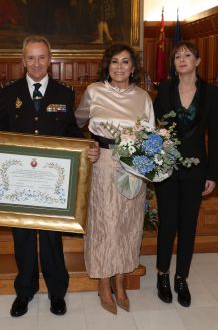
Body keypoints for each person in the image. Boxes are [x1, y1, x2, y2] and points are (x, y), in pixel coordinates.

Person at [0, 35, 99, 317]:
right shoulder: (9, 92)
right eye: (31, 58)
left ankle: (56, 292)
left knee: (51, 238)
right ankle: (24, 291)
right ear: (23, 60)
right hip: (20, 181)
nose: (36, 63)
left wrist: (87, 145)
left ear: (50, 60)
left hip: (51, 182)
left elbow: (70, 131)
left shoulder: (64, 93)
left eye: (42, 57)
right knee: (23, 236)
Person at [75, 44, 154, 314]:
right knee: (104, 222)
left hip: (133, 166)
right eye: (115, 62)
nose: (120, 67)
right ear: (107, 66)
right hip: (103, 164)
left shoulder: (143, 97)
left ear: (133, 68)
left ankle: (121, 281)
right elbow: (75, 124)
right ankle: (103, 282)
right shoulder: (94, 91)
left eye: (125, 62)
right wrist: (88, 146)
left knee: (128, 222)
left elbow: (150, 135)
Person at [153, 40, 218, 307]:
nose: (182, 59)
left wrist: (212, 173)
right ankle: (162, 275)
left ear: (197, 61)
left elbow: (214, 135)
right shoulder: (165, 88)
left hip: (196, 170)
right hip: (167, 168)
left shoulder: (211, 92)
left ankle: (181, 277)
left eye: (187, 55)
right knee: (168, 223)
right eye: (177, 56)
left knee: (188, 226)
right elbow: (156, 127)